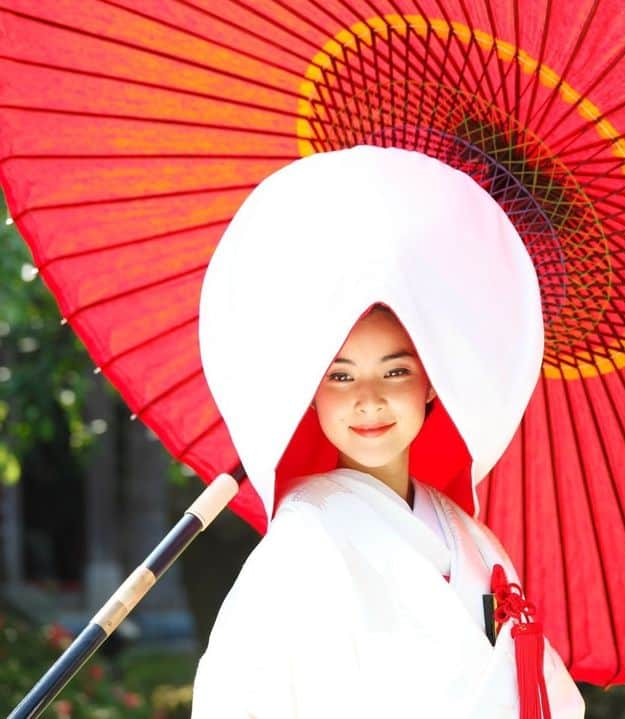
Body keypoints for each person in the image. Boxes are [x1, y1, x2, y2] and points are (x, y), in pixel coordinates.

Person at [190, 145, 586, 718]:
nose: (368, 400)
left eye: (396, 371)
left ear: (432, 382)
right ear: (312, 391)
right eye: (340, 376)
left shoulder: (475, 543)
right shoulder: (302, 548)